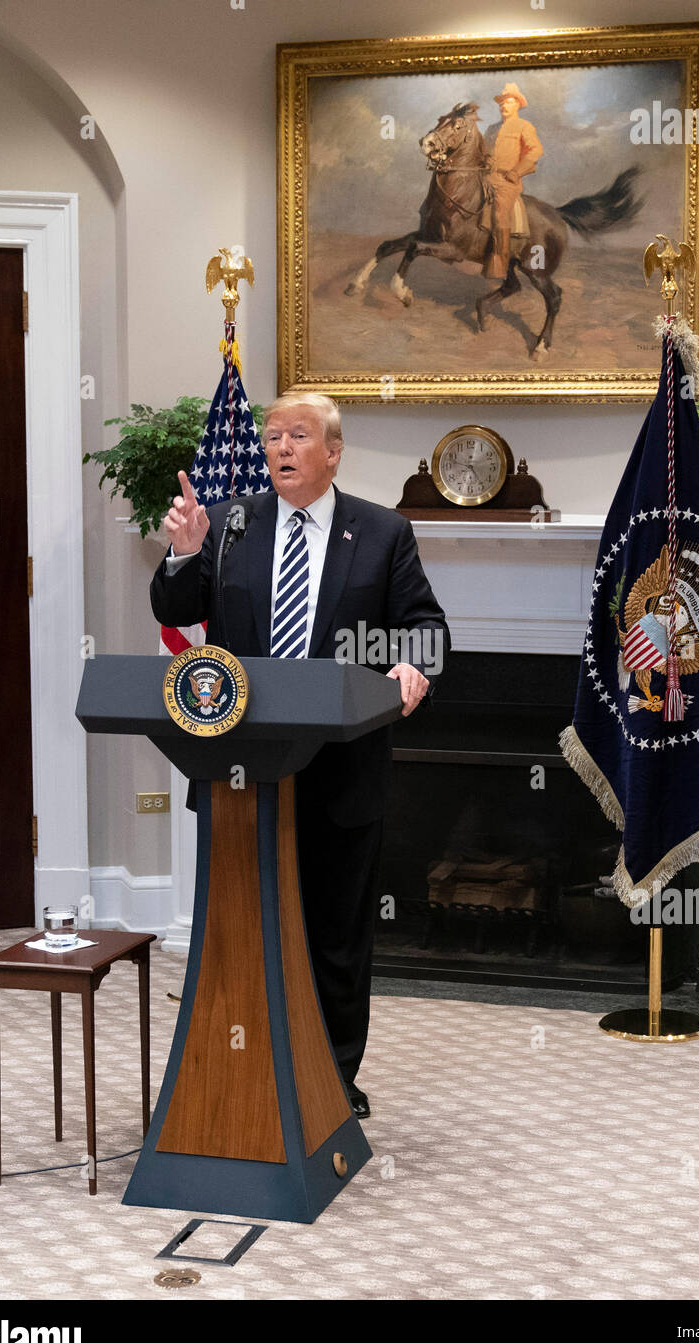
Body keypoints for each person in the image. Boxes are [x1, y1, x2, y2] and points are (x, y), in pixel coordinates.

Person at [150, 392, 450, 1118]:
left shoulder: (381, 532)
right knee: (241, 933)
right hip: (240, 770)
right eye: (273, 435)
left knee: (335, 937)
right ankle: (236, 1073)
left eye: (299, 436)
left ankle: (332, 1082)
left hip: (342, 768)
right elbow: (173, 608)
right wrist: (183, 551)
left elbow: (424, 628)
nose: (281, 447)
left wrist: (412, 667)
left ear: (334, 451)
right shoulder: (226, 524)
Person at [483, 82, 543, 280]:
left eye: (508, 102)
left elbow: (535, 151)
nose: (503, 106)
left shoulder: (524, 126)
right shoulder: (491, 129)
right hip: (485, 177)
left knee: (500, 213)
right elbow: (482, 152)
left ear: (517, 104)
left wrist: (517, 172)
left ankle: (499, 261)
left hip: (507, 182)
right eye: (501, 103)